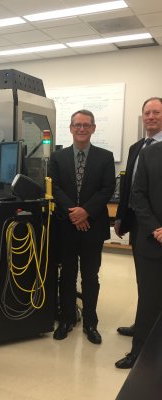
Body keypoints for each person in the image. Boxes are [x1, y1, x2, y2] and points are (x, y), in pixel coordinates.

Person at [50, 109, 115, 344]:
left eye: (86, 125)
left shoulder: (105, 157)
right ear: (70, 128)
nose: (81, 129)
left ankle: (90, 322)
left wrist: (86, 211)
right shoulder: (57, 158)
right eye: (77, 125)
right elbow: (55, 188)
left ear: (93, 128)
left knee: (90, 276)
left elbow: (107, 189)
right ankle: (66, 319)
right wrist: (75, 213)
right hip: (66, 226)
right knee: (66, 275)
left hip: (93, 226)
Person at [115, 98, 162, 369]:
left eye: (157, 112)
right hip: (146, 232)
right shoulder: (142, 150)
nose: (151, 117)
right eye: (147, 113)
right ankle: (140, 350)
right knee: (147, 291)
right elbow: (134, 191)